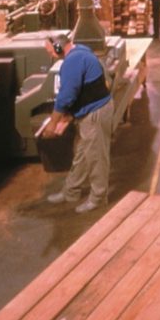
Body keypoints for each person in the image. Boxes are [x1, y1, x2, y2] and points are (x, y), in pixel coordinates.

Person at [41, 33, 114, 214]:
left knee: (96, 157)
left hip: (95, 114)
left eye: (50, 51)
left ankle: (98, 198)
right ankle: (71, 191)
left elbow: (66, 96)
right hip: (89, 111)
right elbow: (82, 89)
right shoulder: (80, 50)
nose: (50, 55)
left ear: (58, 46)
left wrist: (53, 123)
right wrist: (71, 115)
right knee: (82, 154)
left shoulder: (72, 61)